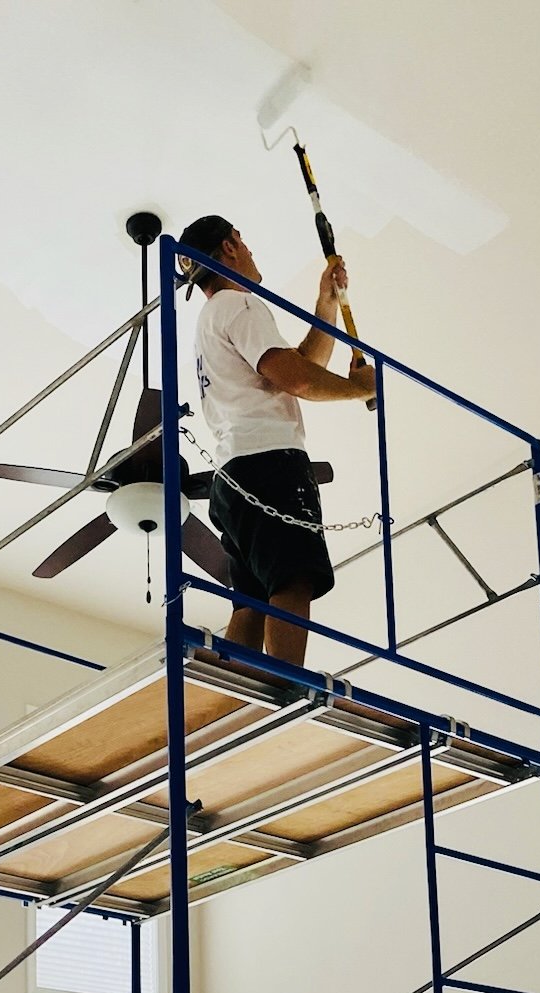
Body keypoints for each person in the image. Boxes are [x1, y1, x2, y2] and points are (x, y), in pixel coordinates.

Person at [179, 214, 374, 669]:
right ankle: (287, 685)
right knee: (292, 578)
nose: (249, 251)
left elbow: (300, 363)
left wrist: (324, 306)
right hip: (270, 464)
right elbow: (296, 380)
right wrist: (361, 389)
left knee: (250, 597)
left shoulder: (213, 318)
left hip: (233, 476)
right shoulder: (239, 305)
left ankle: (238, 692)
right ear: (230, 247)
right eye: (243, 243)